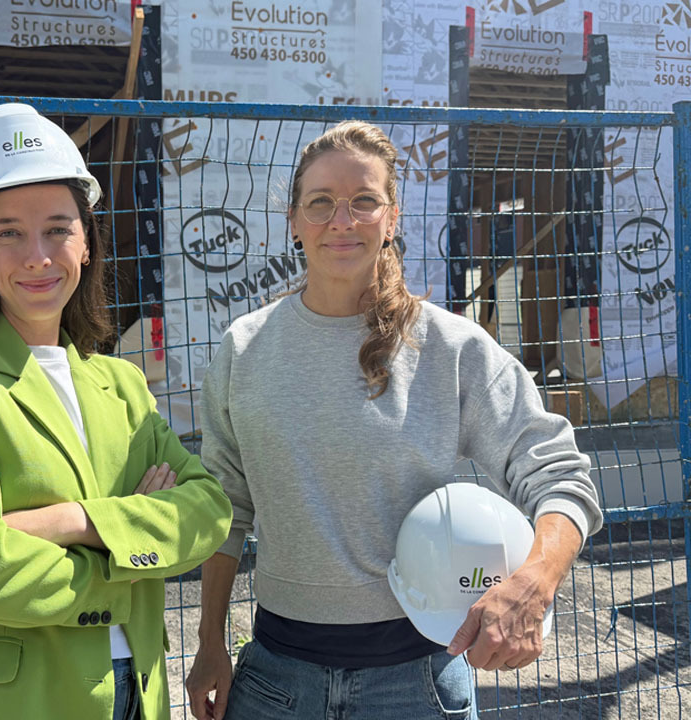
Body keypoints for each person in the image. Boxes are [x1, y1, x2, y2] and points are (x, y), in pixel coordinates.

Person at [184, 120, 602, 720]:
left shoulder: (451, 349)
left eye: (364, 201)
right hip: (277, 682)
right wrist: (208, 646)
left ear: (393, 216)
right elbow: (223, 512)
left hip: (417, 686)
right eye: (321, 203)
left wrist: (536, 581)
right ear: (294, 221)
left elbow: (560, 474)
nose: (342, 220)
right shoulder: (245, 351)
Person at [0, 103, 232, 720]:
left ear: (86, 240)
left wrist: (71, 521)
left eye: (58, 228)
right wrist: (130, 544)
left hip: (135, 692)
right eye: (9, 232)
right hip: (11, 702)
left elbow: (207, 513)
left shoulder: (121, 385)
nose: (38, 256)